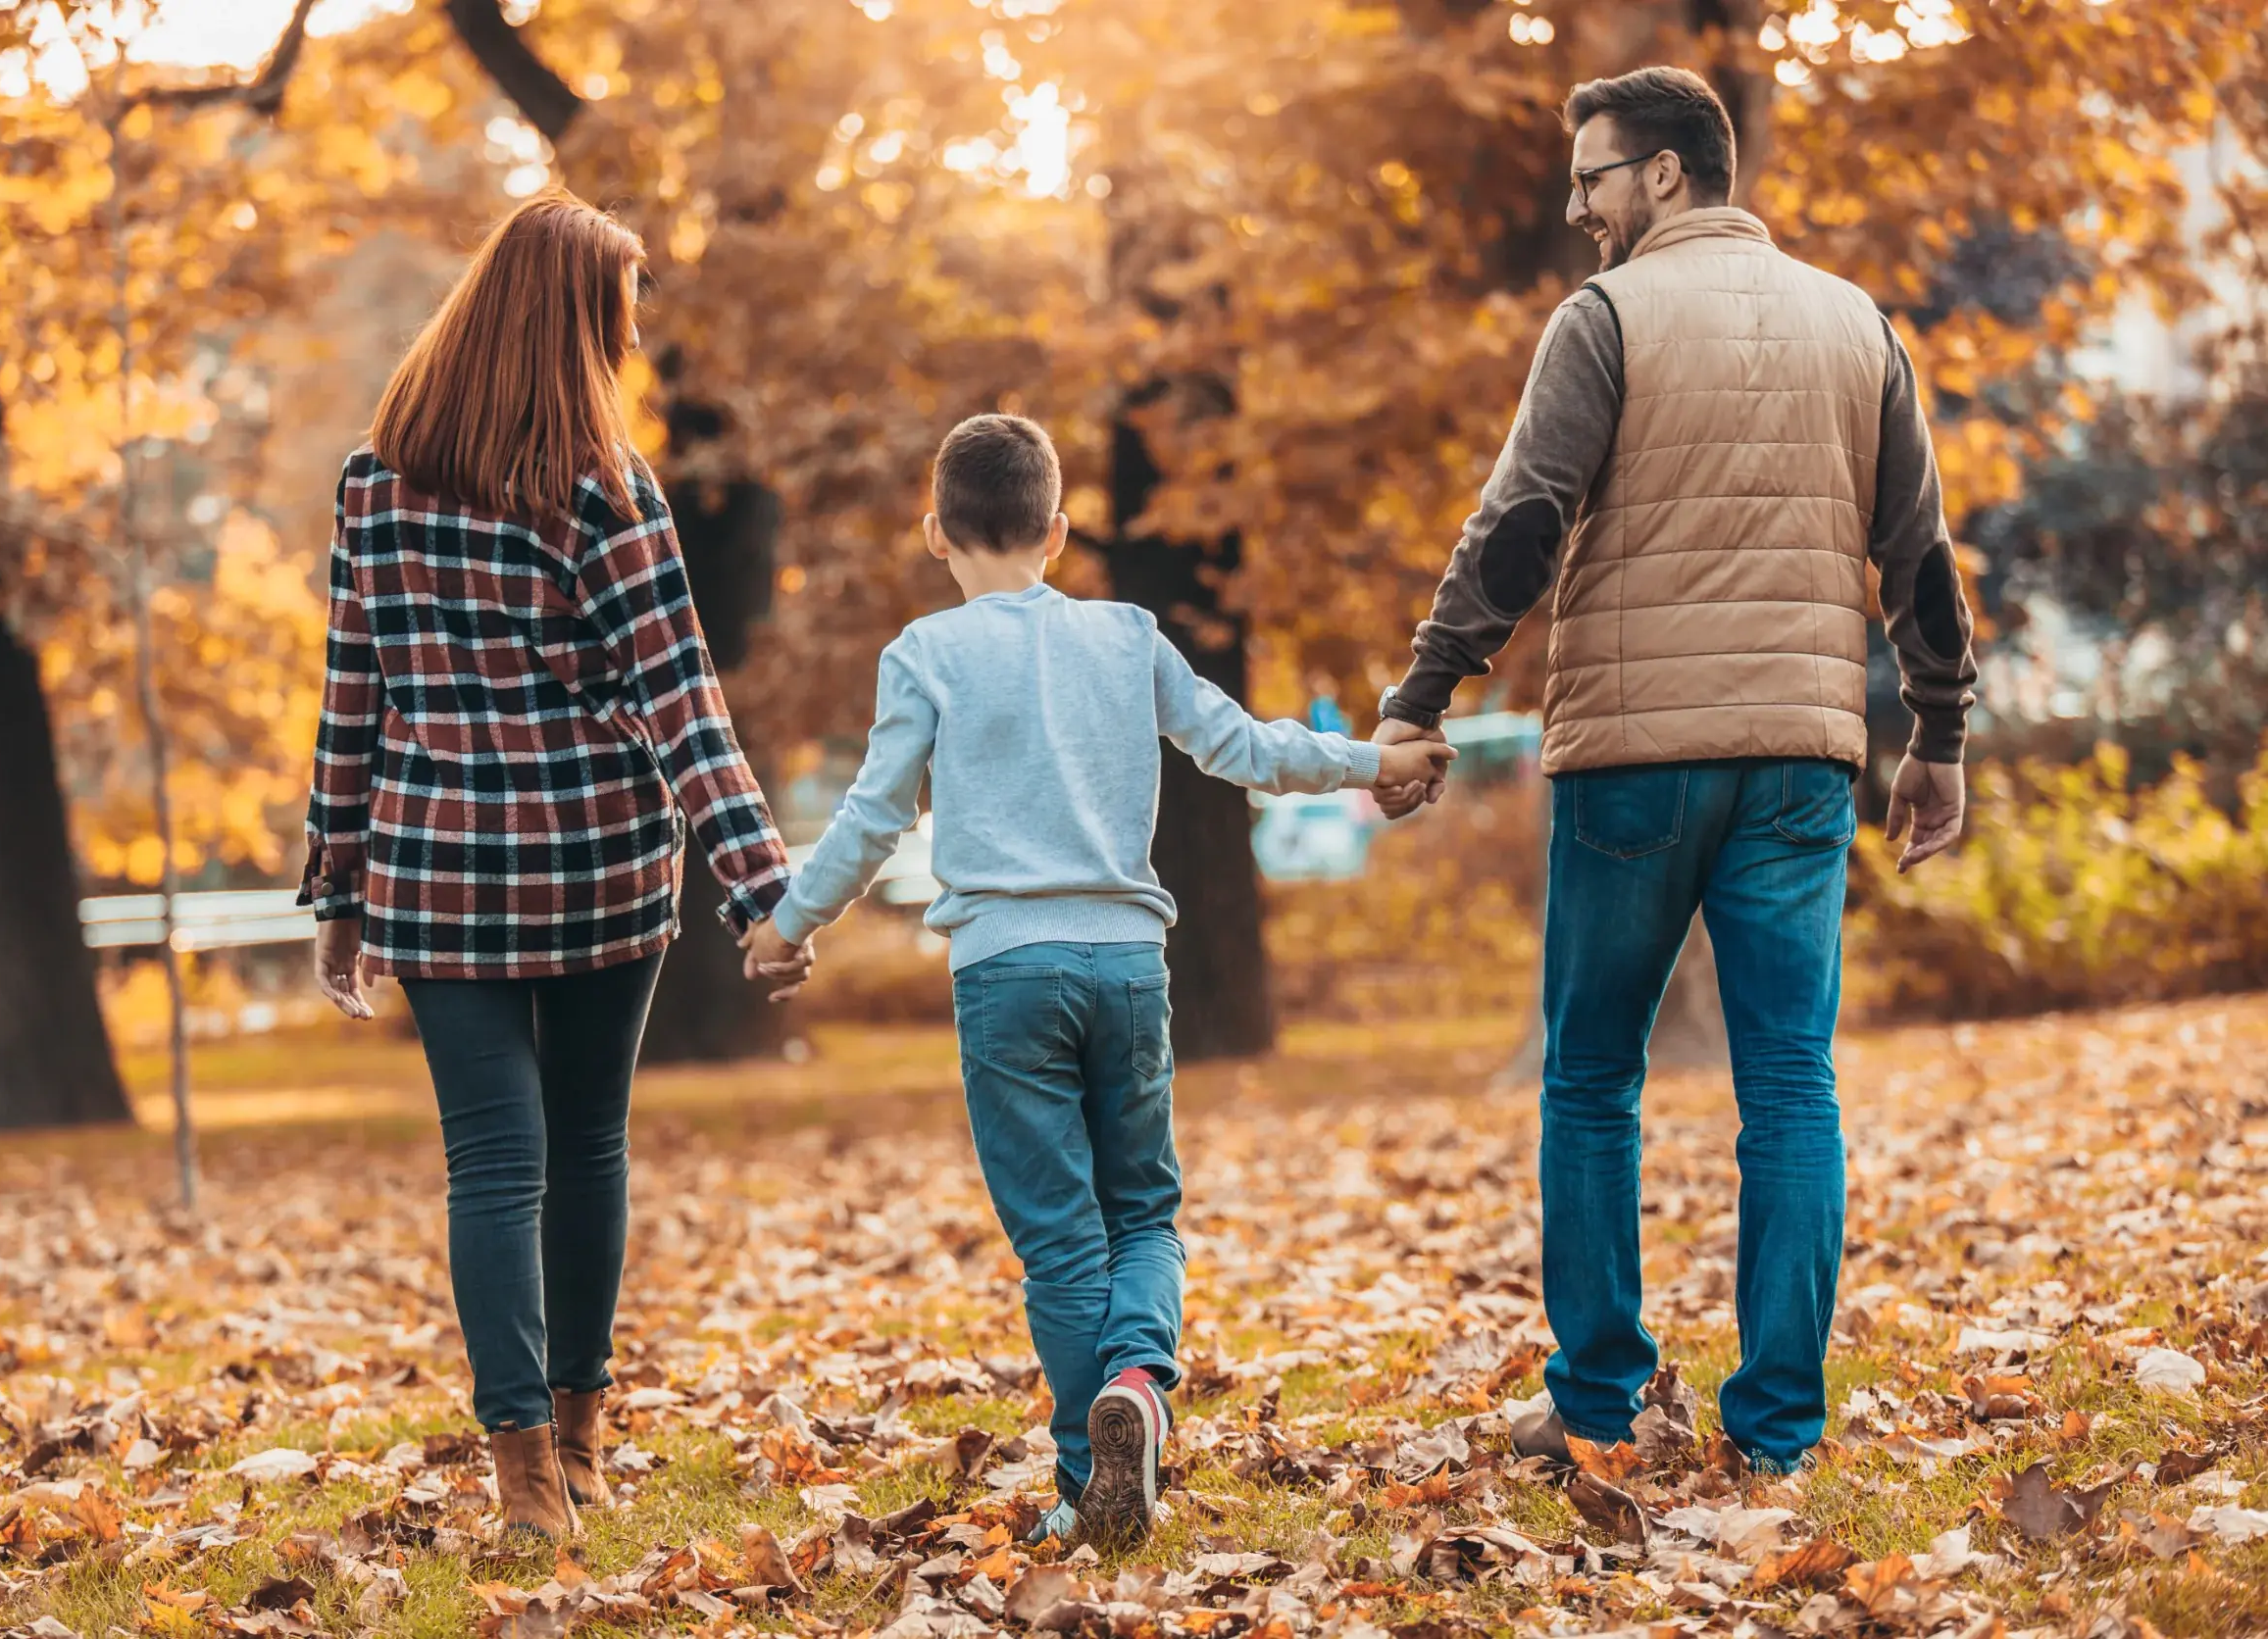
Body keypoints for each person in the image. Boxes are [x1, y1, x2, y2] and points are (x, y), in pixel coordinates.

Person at [1370, 68, 1979, 1472]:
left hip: (1634, 764)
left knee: (1592, 1078)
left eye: (1592, 175)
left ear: (1664, 174)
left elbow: (1520, 523)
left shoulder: (1606, 318)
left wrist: (1422, 694)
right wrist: (1938, 738)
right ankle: (1775, 1431)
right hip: (1797, 764)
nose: (1574, 203)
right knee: (1792, 1085)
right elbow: (1920, 564)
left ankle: (1596, 1404)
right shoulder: (1859, 326)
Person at [742, 415, 1452, 1544]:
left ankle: (1088, 1484)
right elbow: (1248, 749)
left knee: (1063, 1240)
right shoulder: (1129, 636)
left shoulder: (925, 654)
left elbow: (875, 814)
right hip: (1126, 965)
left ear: (935, 533)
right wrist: (1377, 762)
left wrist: (788, 923)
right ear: (1061, 532)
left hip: (1004, 973)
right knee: (1146, 1214)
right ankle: (1137, 1386)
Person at [297, 190, 799, 1540]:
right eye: (624, 315)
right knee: (584, 1147)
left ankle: (526, 1476)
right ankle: (577, 1438)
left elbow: (356, 693)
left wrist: (339, 887)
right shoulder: (609, 489)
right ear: (576, 321)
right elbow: (684, 700)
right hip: (598, 865)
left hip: (438, 868)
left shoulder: (373, 484)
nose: (634, 342)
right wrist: (764, 890)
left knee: (492, 1164)